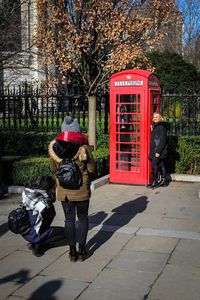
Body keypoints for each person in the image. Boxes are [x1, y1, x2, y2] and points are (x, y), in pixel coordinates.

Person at [48, 116, 95, 262]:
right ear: (77, 131)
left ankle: (72, 253)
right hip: (81, 191)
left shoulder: (55, 148)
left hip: (64, 192)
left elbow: (52, 168)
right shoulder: (83, 147)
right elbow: (92, 168)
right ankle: (82, 251)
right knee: (82, 219)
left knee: (69, 220)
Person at [21, 175, 65, 257]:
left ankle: (36, 242)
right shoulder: (43, 204)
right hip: (35, 233)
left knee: (44, 221)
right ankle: (37, 245)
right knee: (64, 232)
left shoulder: (29, 192)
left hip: (27, 231)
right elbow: (51, 213)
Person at [147, 112, 170, 188]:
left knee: (154, 165)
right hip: (155, 149)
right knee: (161, 164)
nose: (155, 118)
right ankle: (164, 181)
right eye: (154, 117)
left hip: (158, 150)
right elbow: (155, 137)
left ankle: (155, 181)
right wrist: (152, 129)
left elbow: (162, 140)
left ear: (160, 118)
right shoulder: (156, 126)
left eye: (157, 117)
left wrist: (158, 151)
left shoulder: (161, 127)